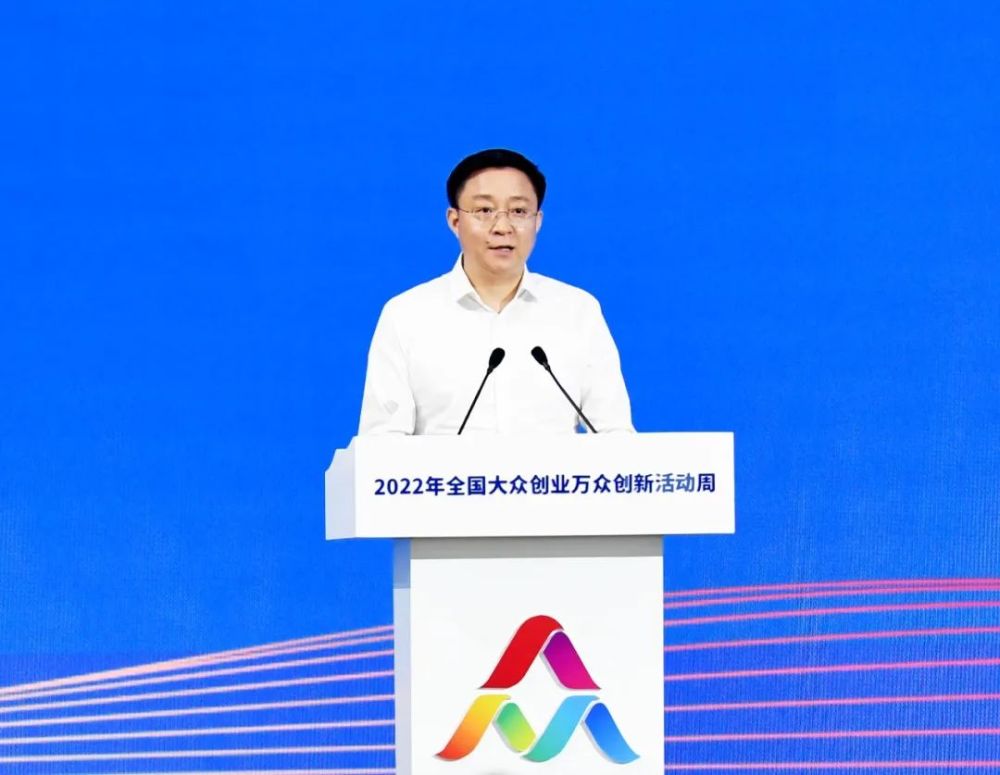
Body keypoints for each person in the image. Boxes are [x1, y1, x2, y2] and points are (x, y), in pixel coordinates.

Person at [358, 148, 633, 435]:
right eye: (484, 211)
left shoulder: (578, 310)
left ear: (537, 221)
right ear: (455, 221)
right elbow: (382, 442)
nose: (502, 227)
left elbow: (614, 433)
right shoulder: (406, 315)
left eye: (519, 211)